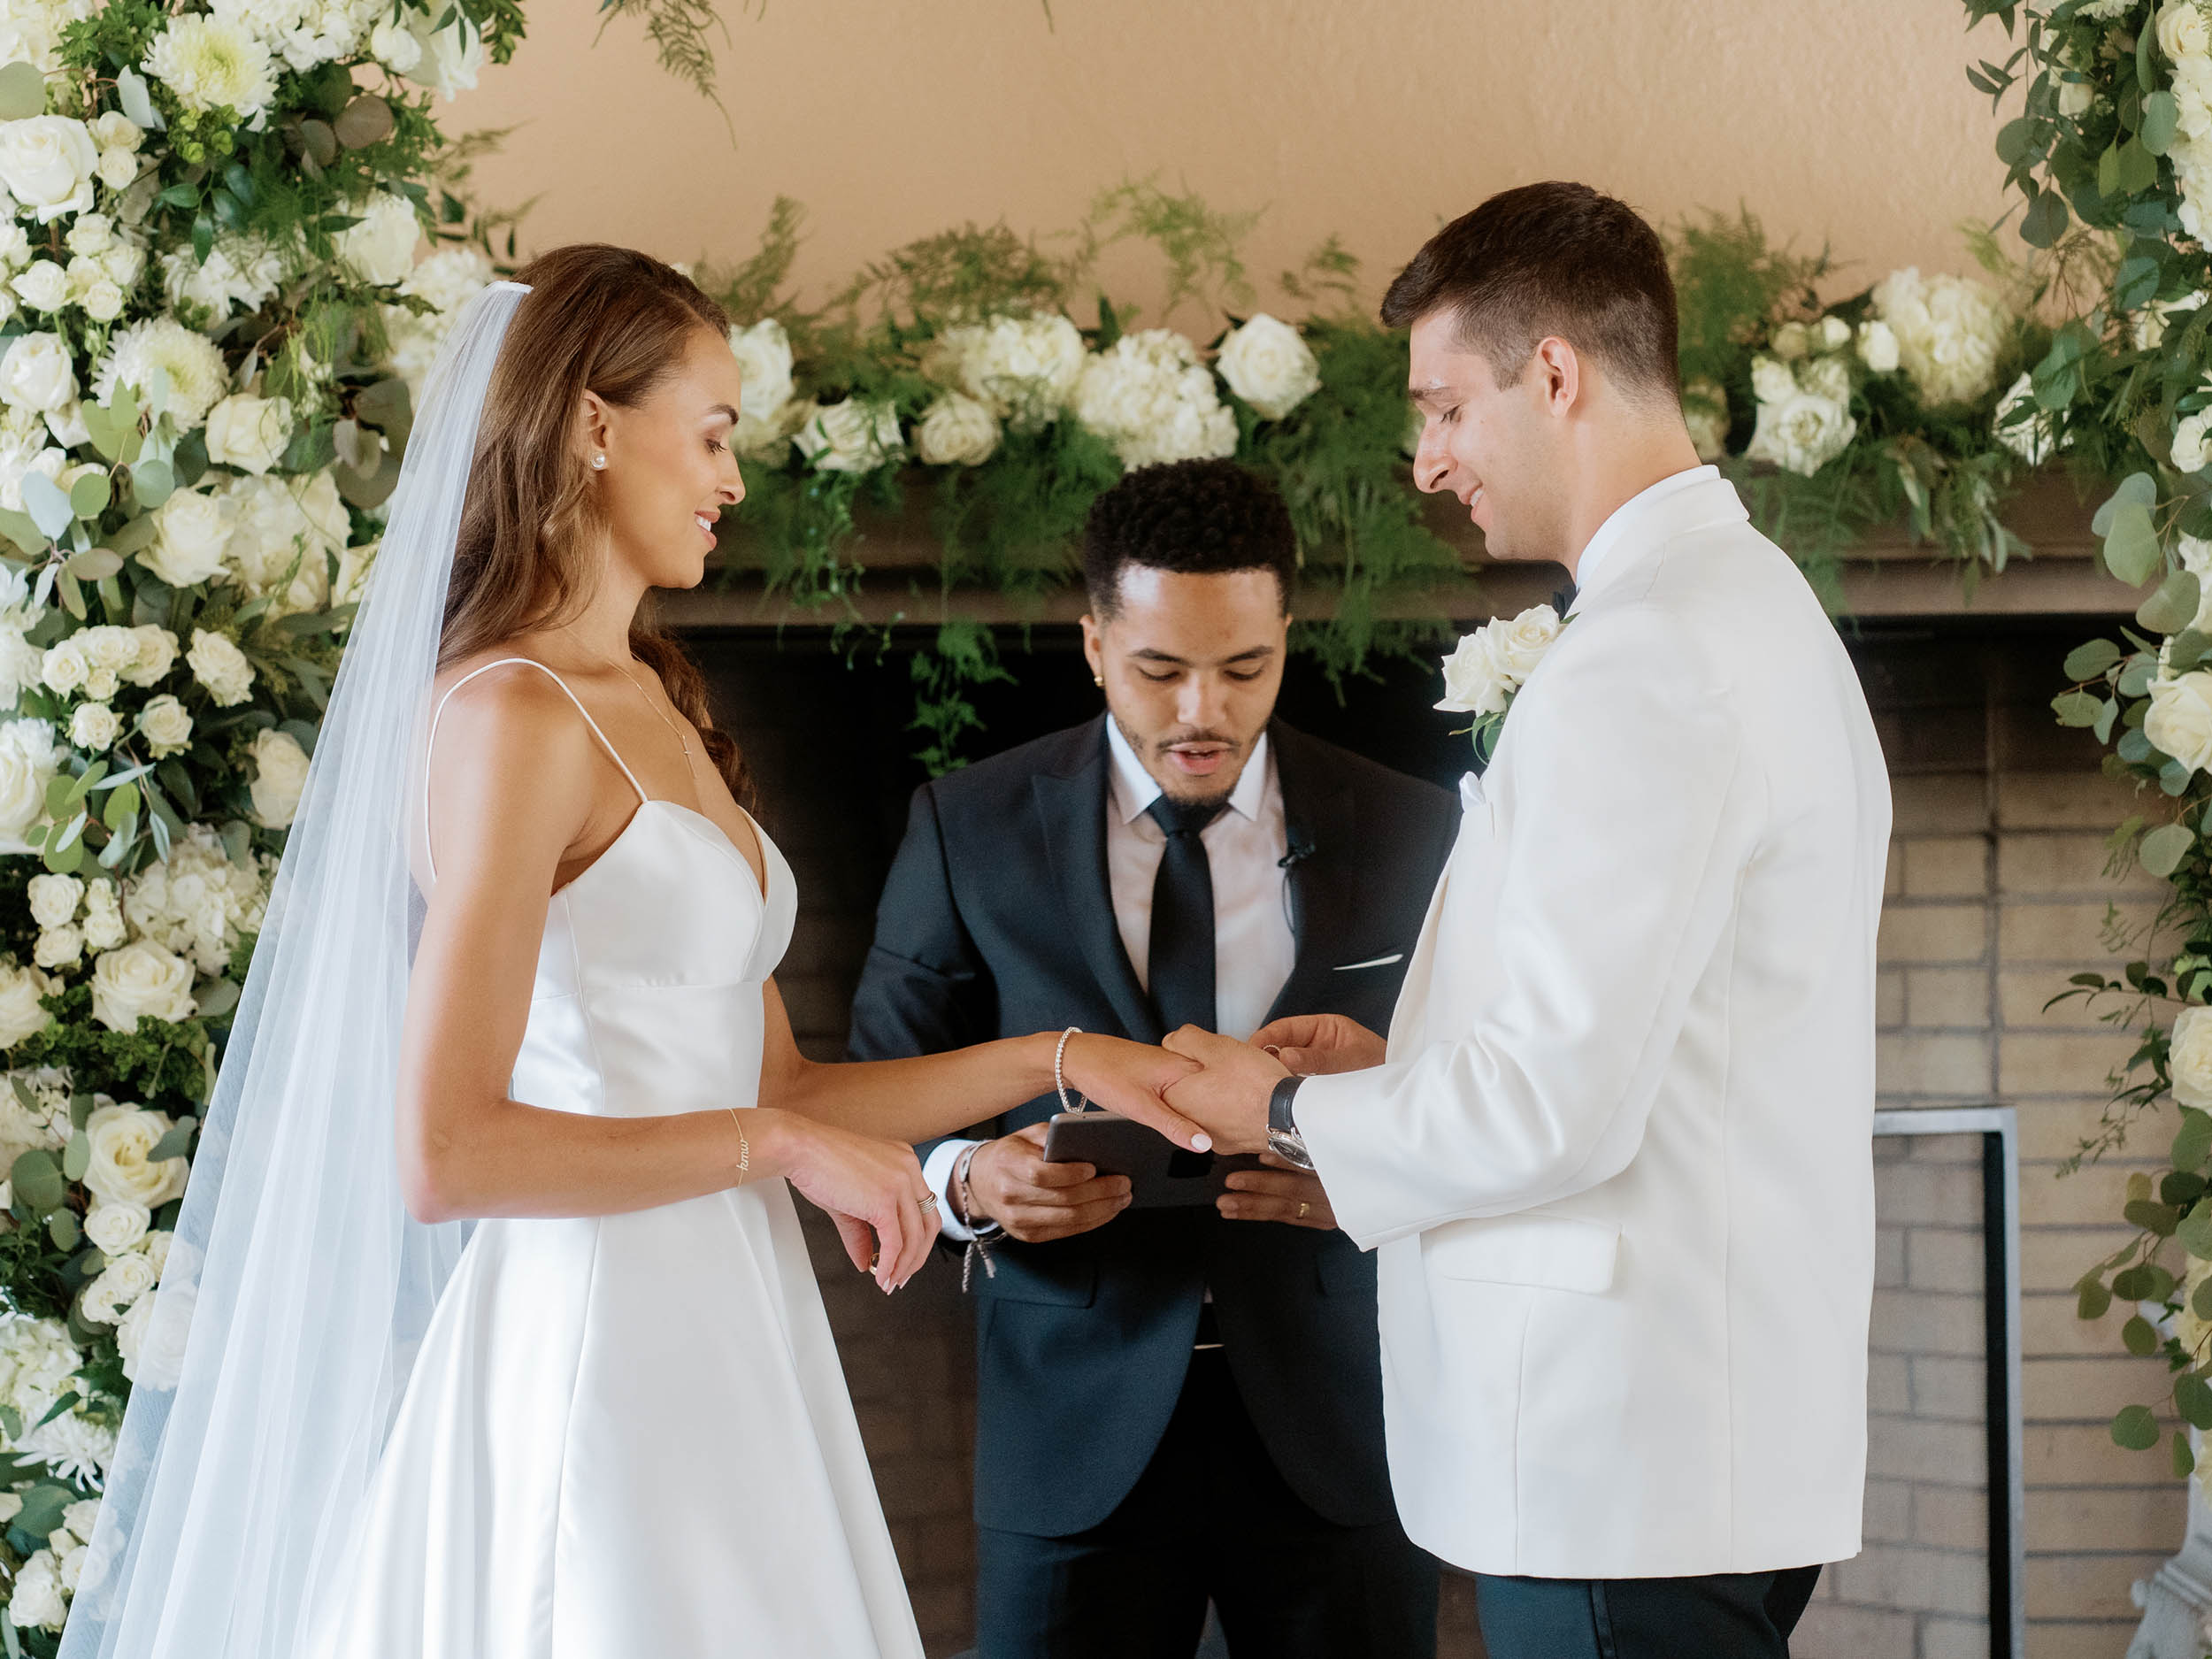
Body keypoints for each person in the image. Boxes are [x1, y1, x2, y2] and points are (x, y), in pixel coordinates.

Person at [59, 248, 1208, 1659]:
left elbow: (779, 1084)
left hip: (723, 1325)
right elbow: (450, 1153)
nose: (733, 480)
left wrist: (1062, 1056)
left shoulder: (655, 694)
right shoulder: (512, 717)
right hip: (591, 1345)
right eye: (714, 433)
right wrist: (779, 1154)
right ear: (595, 427)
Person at [1159, 182, 1893, 1659]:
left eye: (1443, 408)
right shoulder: (1738, 610)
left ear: (1552, 374)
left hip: (1615, 1457)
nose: (1428, 464)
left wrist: (1289, 1109)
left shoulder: (1651, 659)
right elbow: (1653, 1046)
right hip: (1676, 1443)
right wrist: (1395, 1075)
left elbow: (1558, 1104)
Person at [848, 458, 1458, 1659]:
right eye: (1159, 670)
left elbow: (1483, 1083)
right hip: (1069, 1425)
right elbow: (874, 1081)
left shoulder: (1415, 826)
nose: (1202, 715)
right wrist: (969, 1182)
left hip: (1345, 1422)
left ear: (1287, 631)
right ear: (1091, 644)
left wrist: (1379, 1152)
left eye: (1244, 670)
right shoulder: (966, 826)